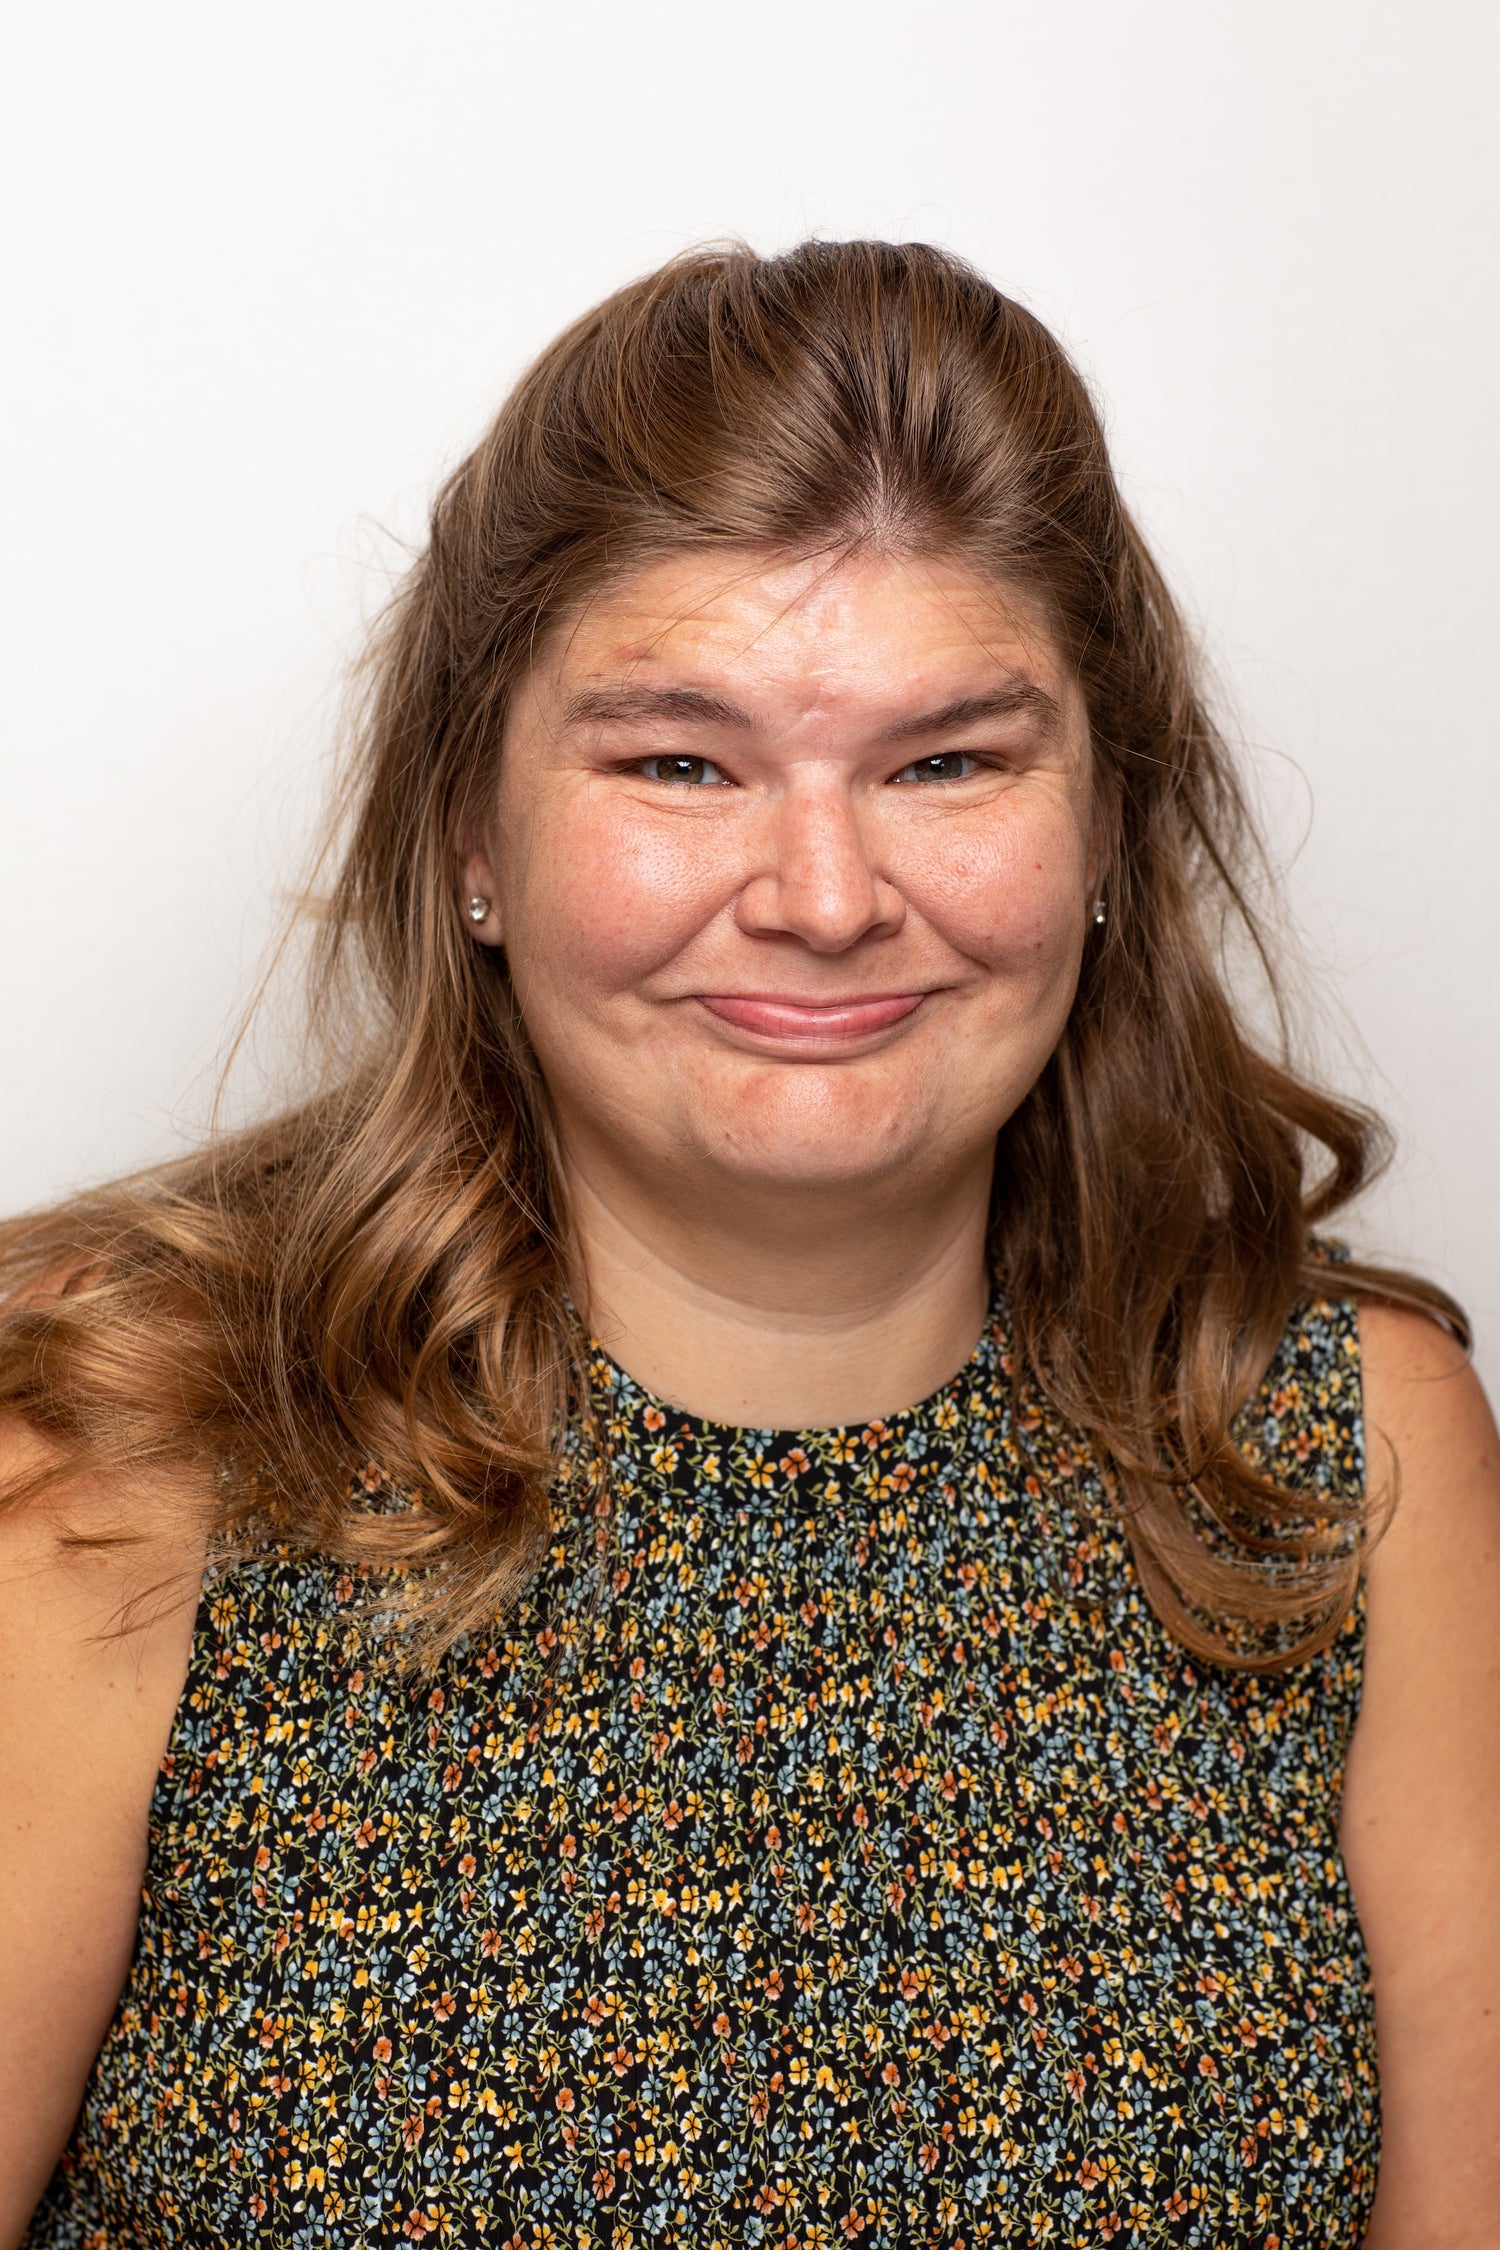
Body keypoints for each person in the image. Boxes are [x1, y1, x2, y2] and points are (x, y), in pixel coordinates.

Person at [2, 240, 1496, 2250]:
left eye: (948, 761)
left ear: (1113, 832)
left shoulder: (1341, 1447)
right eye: (680, 762)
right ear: (471, 839)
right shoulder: (127, 1425)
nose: (821, 894)